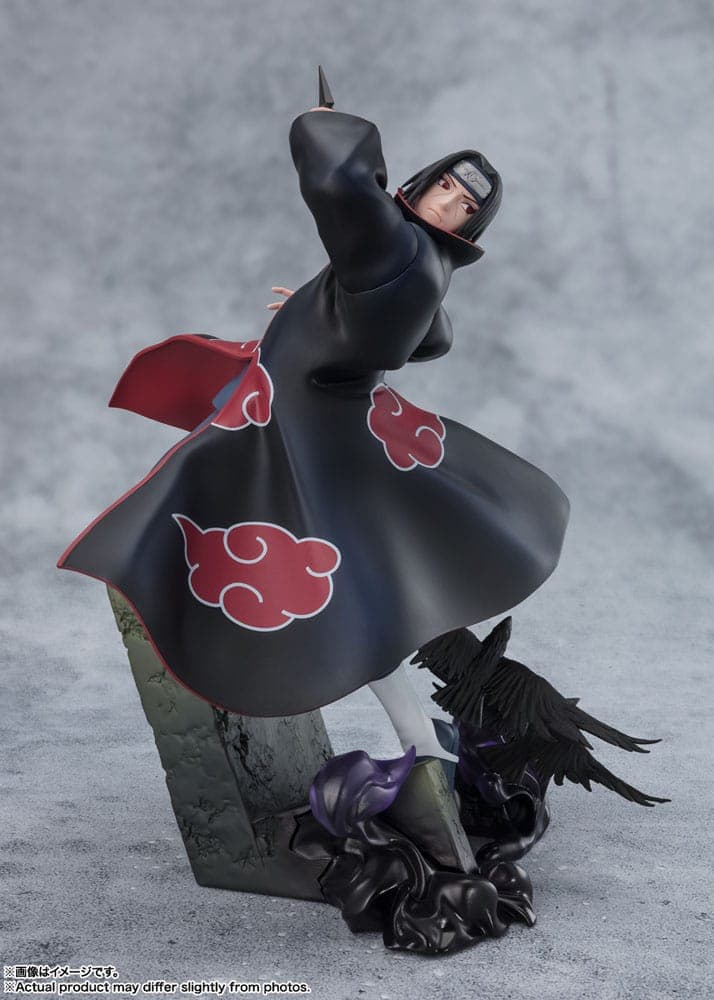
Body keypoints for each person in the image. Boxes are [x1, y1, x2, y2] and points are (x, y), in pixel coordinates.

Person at [58, 100, 570, 784]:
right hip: (321, 418)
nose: (449, 203)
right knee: (356, 583)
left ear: (472, 225)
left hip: (299, 429)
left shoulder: (397, 246)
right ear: (425, 182)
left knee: (315, 576)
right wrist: (330, 310)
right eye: (446, 186)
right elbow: (433, 335)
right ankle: (424, 739)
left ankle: (420, 741)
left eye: (465, 206)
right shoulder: (424, 260)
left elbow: (338, 180)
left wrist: (325, 119)